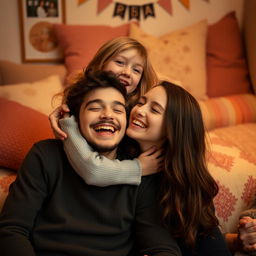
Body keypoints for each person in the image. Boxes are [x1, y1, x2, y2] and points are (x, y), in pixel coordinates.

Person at [0, 71, 181, 256]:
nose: (108, 115)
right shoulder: (45, 156)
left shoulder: (143, 170)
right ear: (75, 119)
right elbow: (12, 231)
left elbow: (163, 247)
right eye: (95, 108)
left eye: (118, 110)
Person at [58, 80, 232, 255]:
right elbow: (91, 166)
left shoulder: (187, 185)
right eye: (140, 102)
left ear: (174, 128)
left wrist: (235, 241)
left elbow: (208, 243)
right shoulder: (114, 157)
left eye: (154, 109)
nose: (139, 110)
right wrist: (68, 122)